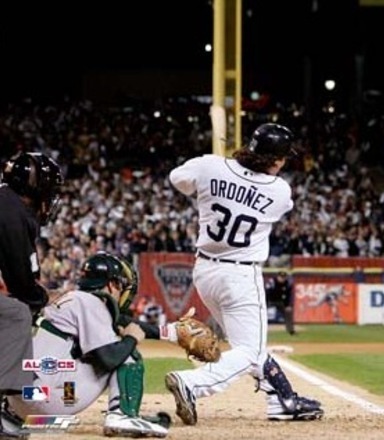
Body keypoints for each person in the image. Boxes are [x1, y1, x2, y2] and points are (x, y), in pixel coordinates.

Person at [165, 123, 323, 424]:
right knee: (248, 351)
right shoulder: (278, 190)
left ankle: (281, 400)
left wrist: (215, 178)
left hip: (205, 271)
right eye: (282, 158)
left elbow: (178, 179)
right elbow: (276, 200)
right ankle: (192, 383)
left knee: (249, 346)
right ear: (275, 159)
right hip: (240, 276)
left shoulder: (210, 165)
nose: (283, 163)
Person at [4, 252, 173, 438]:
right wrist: (131, 339)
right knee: (124, 351)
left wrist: (170, 333)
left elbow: (120, 323)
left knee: (78, 355)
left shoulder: (72, 299)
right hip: (48, 400)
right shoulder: (92, 303)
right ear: (112, 284)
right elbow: (109, 359)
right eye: (122, 286)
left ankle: (11, 420)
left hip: (19, 399)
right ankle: (122, 416)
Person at [0, 152, 63, 439]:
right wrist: (43, 297)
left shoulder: (5, 202)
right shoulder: (13, 211)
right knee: (16, 313)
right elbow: (22, 283)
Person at [265, 271, 296, 335]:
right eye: (281, 277)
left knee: (288, 312)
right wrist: (265, 304)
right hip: (269, 301)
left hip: (280, 301)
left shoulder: (287, 283)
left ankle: (291, 331)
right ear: (277, 277)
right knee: (262, 313)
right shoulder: (272, 282)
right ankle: (260, 329)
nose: (282, 279)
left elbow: (289, 295)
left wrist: (288, 305)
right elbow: (266, 293)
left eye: (284, 277)